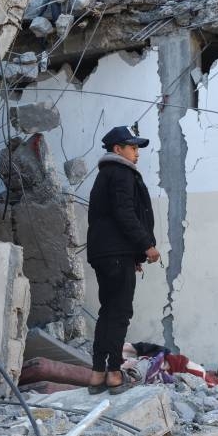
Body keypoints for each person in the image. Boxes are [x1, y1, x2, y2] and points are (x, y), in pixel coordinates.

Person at [86, 126, 160, 394]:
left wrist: (133, 255)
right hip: (115, 253)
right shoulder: (121, 173)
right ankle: (115, 373)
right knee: (119, 313)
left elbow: (112, 217)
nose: (137, 153)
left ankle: (97, 373)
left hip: (107, 254)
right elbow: (125, 213)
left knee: (108, 312)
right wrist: (146, 246)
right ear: (118, 149)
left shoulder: (106, 174)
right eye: (132, 147)